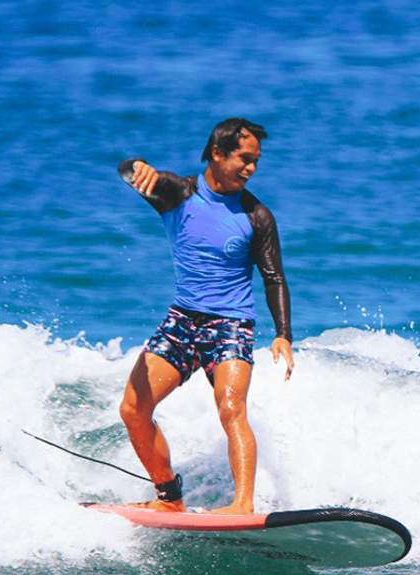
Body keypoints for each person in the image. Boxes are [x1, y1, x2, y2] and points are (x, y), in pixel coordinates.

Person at [116, 118, 294, 513]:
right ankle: (168, 497)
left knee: (231, 408)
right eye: (244, 159)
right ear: (217, 153)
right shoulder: (178, 195)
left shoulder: (256, 215)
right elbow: (131, 171)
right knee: (133, 409)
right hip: (182, 321)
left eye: (256, 162)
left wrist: (283, 333)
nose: (251, 169)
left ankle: (242, 504)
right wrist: (138, 166)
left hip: (231, 325)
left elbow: (274, 277)